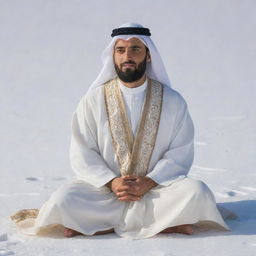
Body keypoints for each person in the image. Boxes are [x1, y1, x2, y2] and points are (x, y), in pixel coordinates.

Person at [12, 22, 229, 239]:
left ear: (149, 55)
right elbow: (83, 151)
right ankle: (166, 223)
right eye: (121, 50)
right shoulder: (93, 101)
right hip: (104, 193)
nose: (128, 56)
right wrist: (112, 182)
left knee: (196, 192)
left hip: (156, 192)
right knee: (64, 199)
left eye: (136, 49)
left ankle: (99, 225)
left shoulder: (172, 101)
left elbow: (180, 151)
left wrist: (149, 181)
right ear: (113, 56)